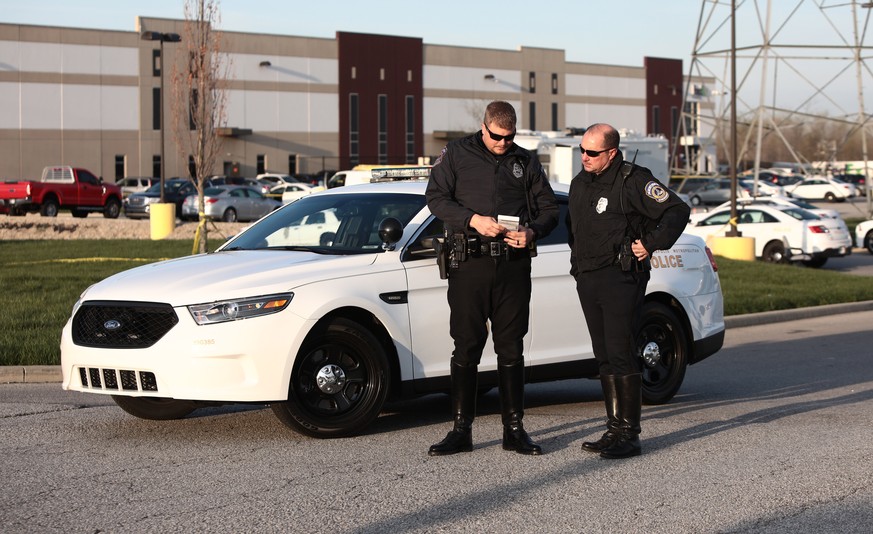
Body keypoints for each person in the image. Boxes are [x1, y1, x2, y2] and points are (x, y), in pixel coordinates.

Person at [425, 100, 559, 456]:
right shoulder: (456, 154)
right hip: (469, 264)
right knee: (467, 346)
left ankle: (514, 429)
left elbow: (549, 210)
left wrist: (532, 232)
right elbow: (435, 198)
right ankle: (460, 429)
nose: (502, 143)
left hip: (512, 266)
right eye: (497, 137)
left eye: (509, 137)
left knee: (511, 347)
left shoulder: (525, 160)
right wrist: (473, 220)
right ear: (484, 128)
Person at [566, 123, 690, 459]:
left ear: (612, 153)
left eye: (592, 152)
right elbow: (574, 231)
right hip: (589, 278)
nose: (585, 157)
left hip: (622, 278)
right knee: (604, 354)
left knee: (621, 351)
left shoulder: (632, 180)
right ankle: (613, 428)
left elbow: (677, 211)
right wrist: (578, 269)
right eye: (582, 150)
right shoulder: (579, 184)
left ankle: (629, 434)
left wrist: (650, 244)